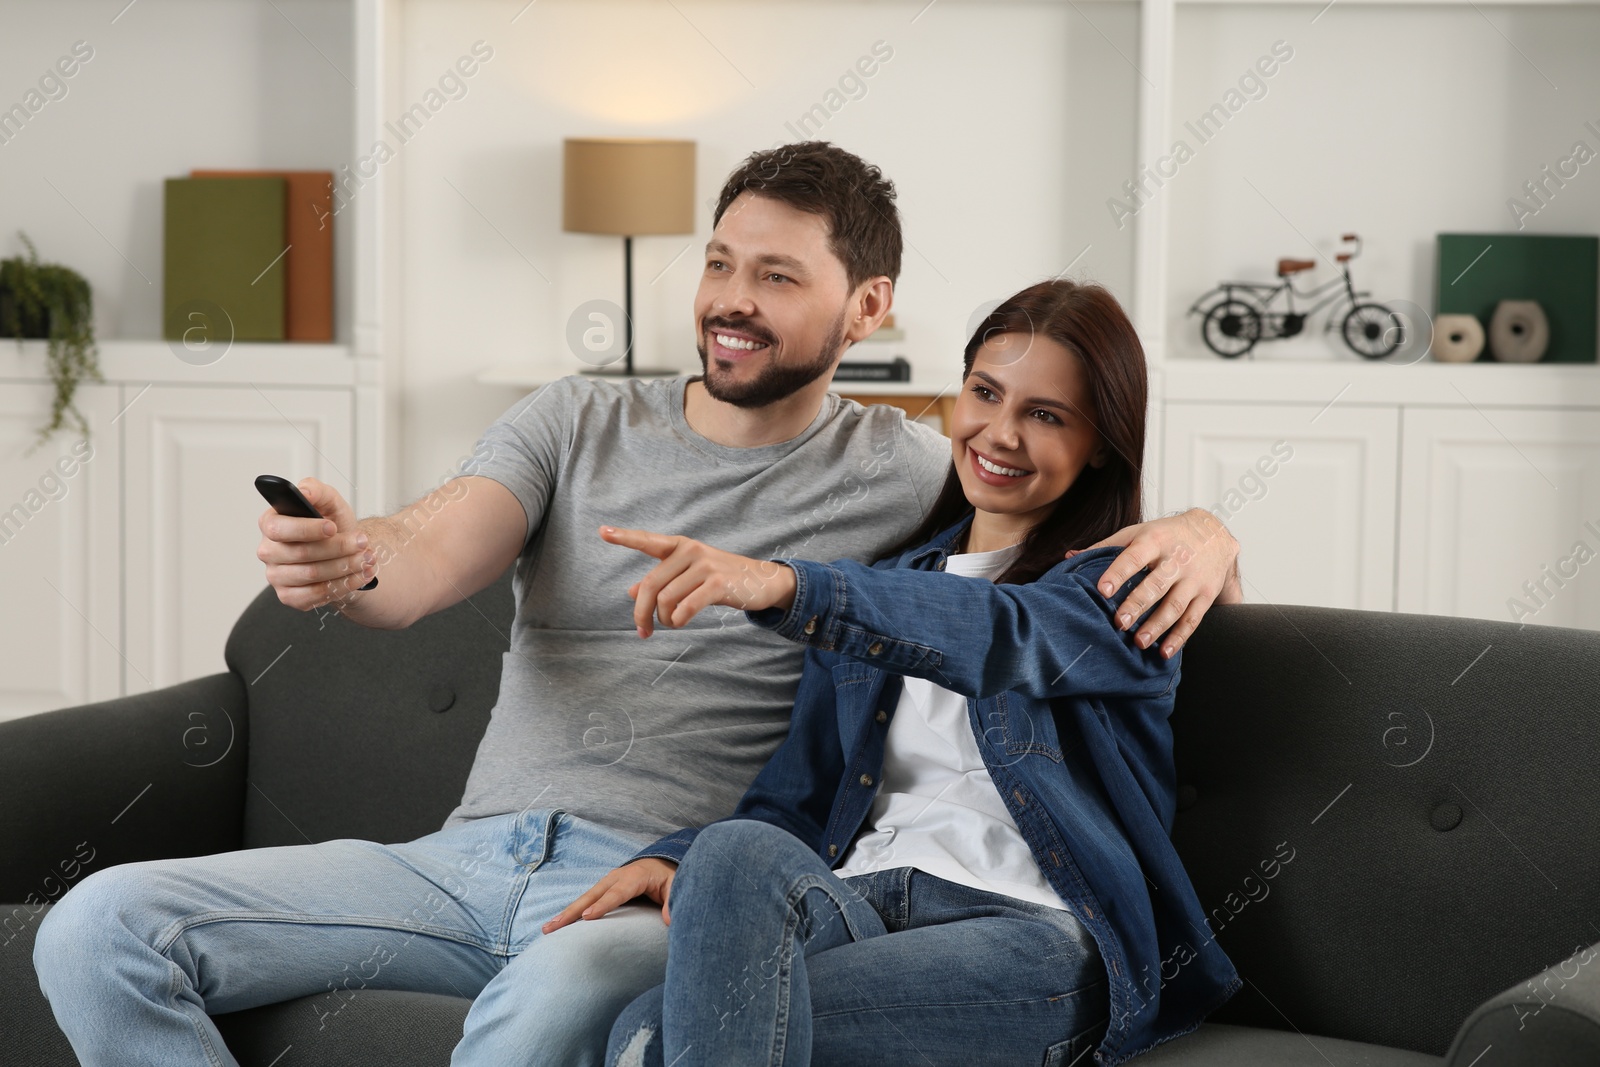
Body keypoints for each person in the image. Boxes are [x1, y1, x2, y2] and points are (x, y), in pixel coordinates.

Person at [33, 143, 1241, 1067]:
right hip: (465, 859)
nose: (732, 297)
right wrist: (349, 556)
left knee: (595, 999)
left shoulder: (904, 474)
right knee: (98, 924)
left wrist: (1207, 532)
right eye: (720, 261)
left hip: (683, 894)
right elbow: (423, 551)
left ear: (865, 308)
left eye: (778, 274)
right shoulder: (577, 418)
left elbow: (1031, 599)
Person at [548, 279, 1240, 1067]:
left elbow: (998, 634)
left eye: (1045, 415)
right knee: (732, 853)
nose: (1000, 432)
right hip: (865, 905)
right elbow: (793, 799)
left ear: (1102, 445)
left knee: (652, 1041)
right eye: (986, 392)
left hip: (1032, 941)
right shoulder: (894, 579)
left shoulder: (1123, 590)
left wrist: (788, 584)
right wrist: (673, 855)